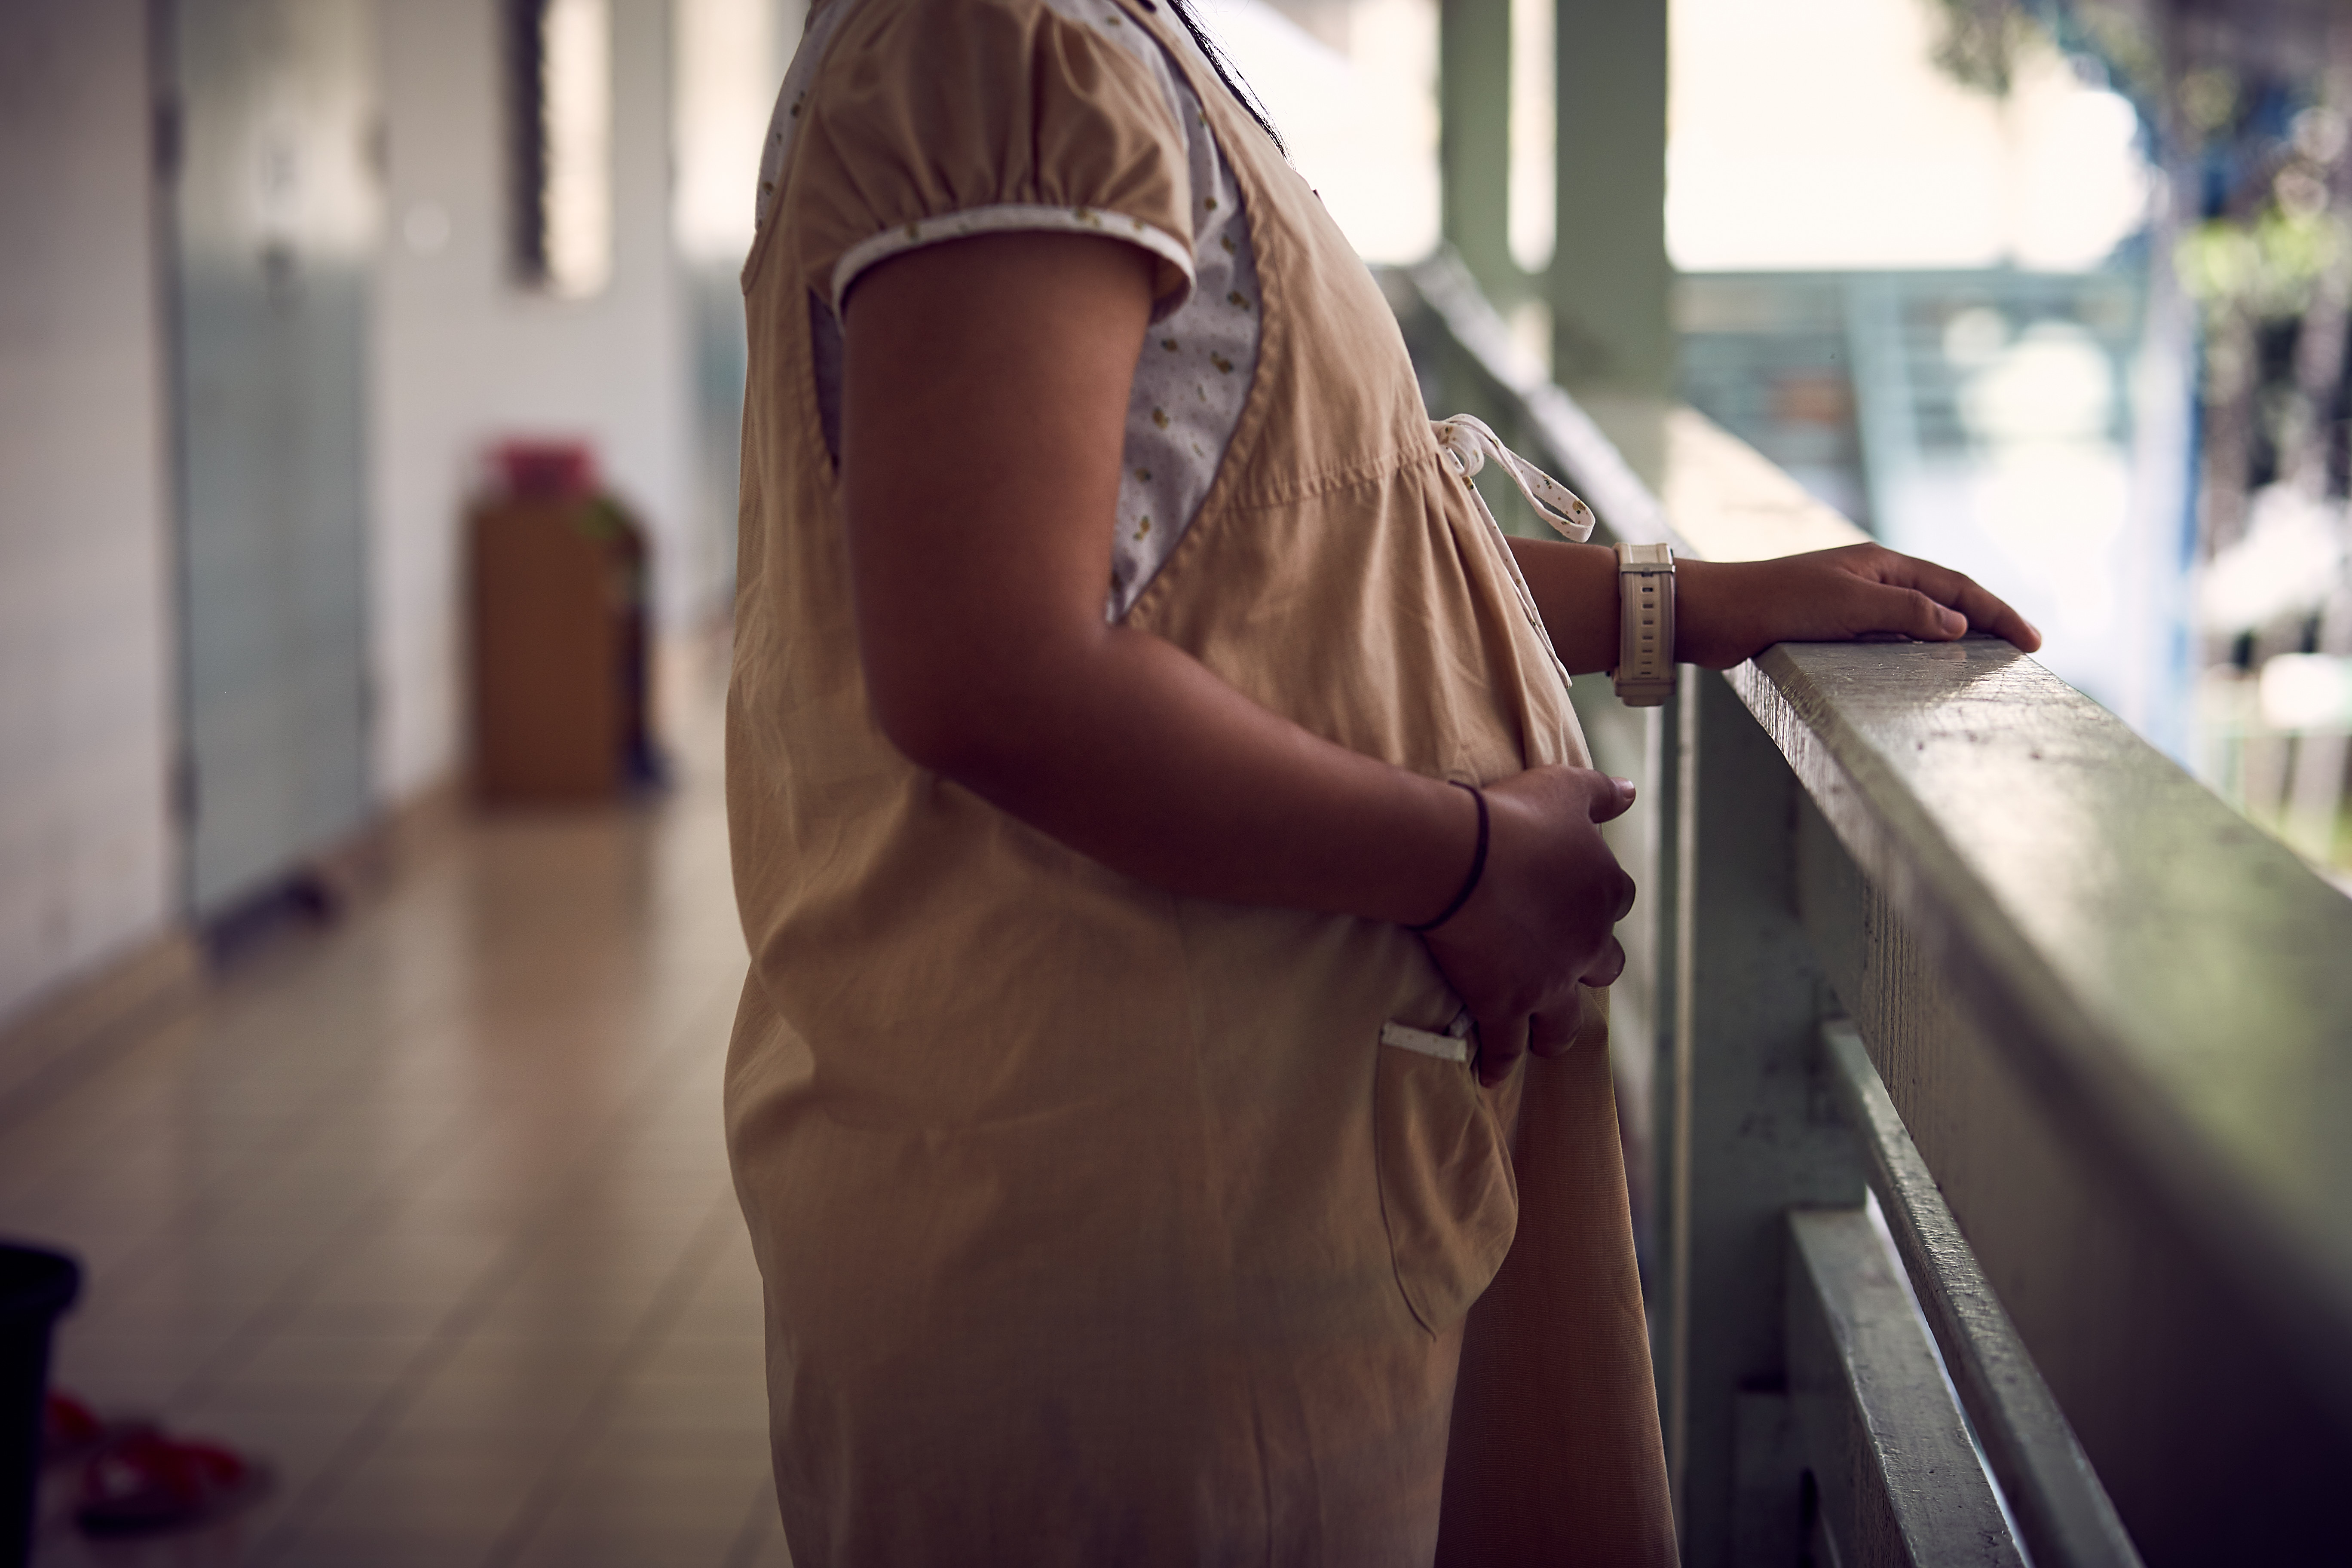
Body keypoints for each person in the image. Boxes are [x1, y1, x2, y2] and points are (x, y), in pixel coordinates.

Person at [720, 0, 2040, 1561]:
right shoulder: (1005, 46)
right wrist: (1465, 864)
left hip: (1217, 1175)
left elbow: (1261, 568)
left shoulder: (1087, 44)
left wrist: (1673, 605)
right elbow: (994, 670)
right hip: (1130, 1232)